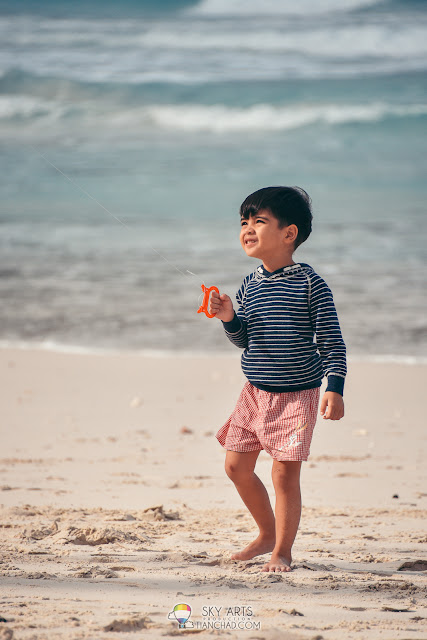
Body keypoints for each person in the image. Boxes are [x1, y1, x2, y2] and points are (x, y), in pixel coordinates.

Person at [209, 186, 346, 573]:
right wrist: (229, 319)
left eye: (259, 221)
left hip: (297, 395)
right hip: (254, 392)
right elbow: (245, 340)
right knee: (235, 467)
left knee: (284, 473)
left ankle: (282, 550)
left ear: (289, 234)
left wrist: (334, 387)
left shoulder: (309, 284)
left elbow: (332, 341)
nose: (248, 229)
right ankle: (266, 533)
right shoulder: (249, 285)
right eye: (244, 222)